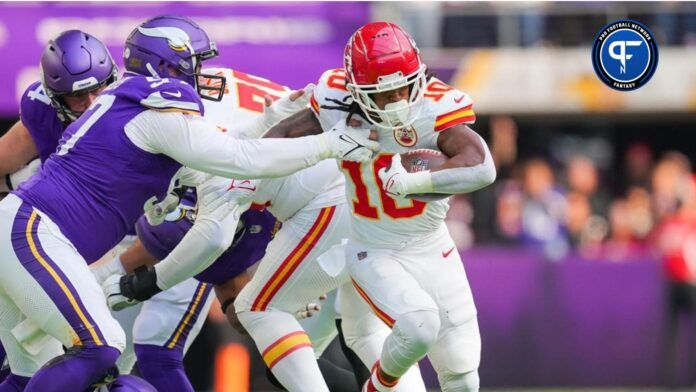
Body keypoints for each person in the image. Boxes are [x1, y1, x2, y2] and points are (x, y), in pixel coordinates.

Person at [0, 15, 378, 392]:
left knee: (31, 373)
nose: (198, 73)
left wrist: (272, 118)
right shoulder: (152, 113)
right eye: (192, 64)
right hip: (35, 233)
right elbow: (237, 159)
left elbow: (214, 157)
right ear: (166, 66)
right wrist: (327, 144)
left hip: (32, 233)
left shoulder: (135, 108)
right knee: (101, 347)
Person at [105, 66, 426, 392]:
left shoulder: (208, 179)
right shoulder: (212, 122)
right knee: (351, 335)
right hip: (369, 203)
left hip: (332, 209)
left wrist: (144, 284)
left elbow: (208, 242)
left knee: (260, 311)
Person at [264, 21, 496, 391]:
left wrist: (412, 182)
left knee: (464, 376)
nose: (397, 102)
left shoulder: (434, 107)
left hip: (433, 246)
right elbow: (275, 145)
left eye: (403, 88)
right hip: (372, 248)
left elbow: (482, 167)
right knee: (419, 326)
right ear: (356, 90)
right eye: (382, 95)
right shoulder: (335, 103)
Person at [0, 29, 118, 390]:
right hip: (45, 236)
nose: (92, 101)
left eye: (98, 88)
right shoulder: (40, 109)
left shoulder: (133, 114)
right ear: (55, 96)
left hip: (119, 243)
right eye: (78, 96)